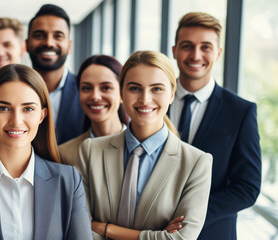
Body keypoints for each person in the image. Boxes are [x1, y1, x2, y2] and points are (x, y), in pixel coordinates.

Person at [0, 64, 92, 240]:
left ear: (42, 115)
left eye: (28, 109)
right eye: (3, 108)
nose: (16, 121)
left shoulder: (69, 182)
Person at [77, 51, 212, 240]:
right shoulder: (90, 151)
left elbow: (182, 238)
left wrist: (105, 228)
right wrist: (158, 235)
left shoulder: (196, 163)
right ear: (122, 92)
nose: (145, 99)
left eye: (157, 89)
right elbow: (80, 229)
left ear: (172, 94)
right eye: (134, 88)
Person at [169, 12, 261, 240]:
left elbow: (247, 188)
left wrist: (191, 215)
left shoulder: (240, 112)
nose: (196, 55)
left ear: (218, 53)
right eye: (187, 46)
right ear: (174, 51)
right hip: (152, 231)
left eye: (206, 47)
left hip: (213, 233)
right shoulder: (153, 101)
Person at [26, 4, 84, 144]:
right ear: (27, 44)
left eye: (58, 36)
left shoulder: (85, 91)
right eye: (39, 35)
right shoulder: (13, 91)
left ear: (69, 46)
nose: (49, 43)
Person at [59, 55, 126, 166]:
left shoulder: (140, 147)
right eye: (87, 88)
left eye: (106, 87)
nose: (95, 96)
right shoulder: (64, 155)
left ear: (122, 94)